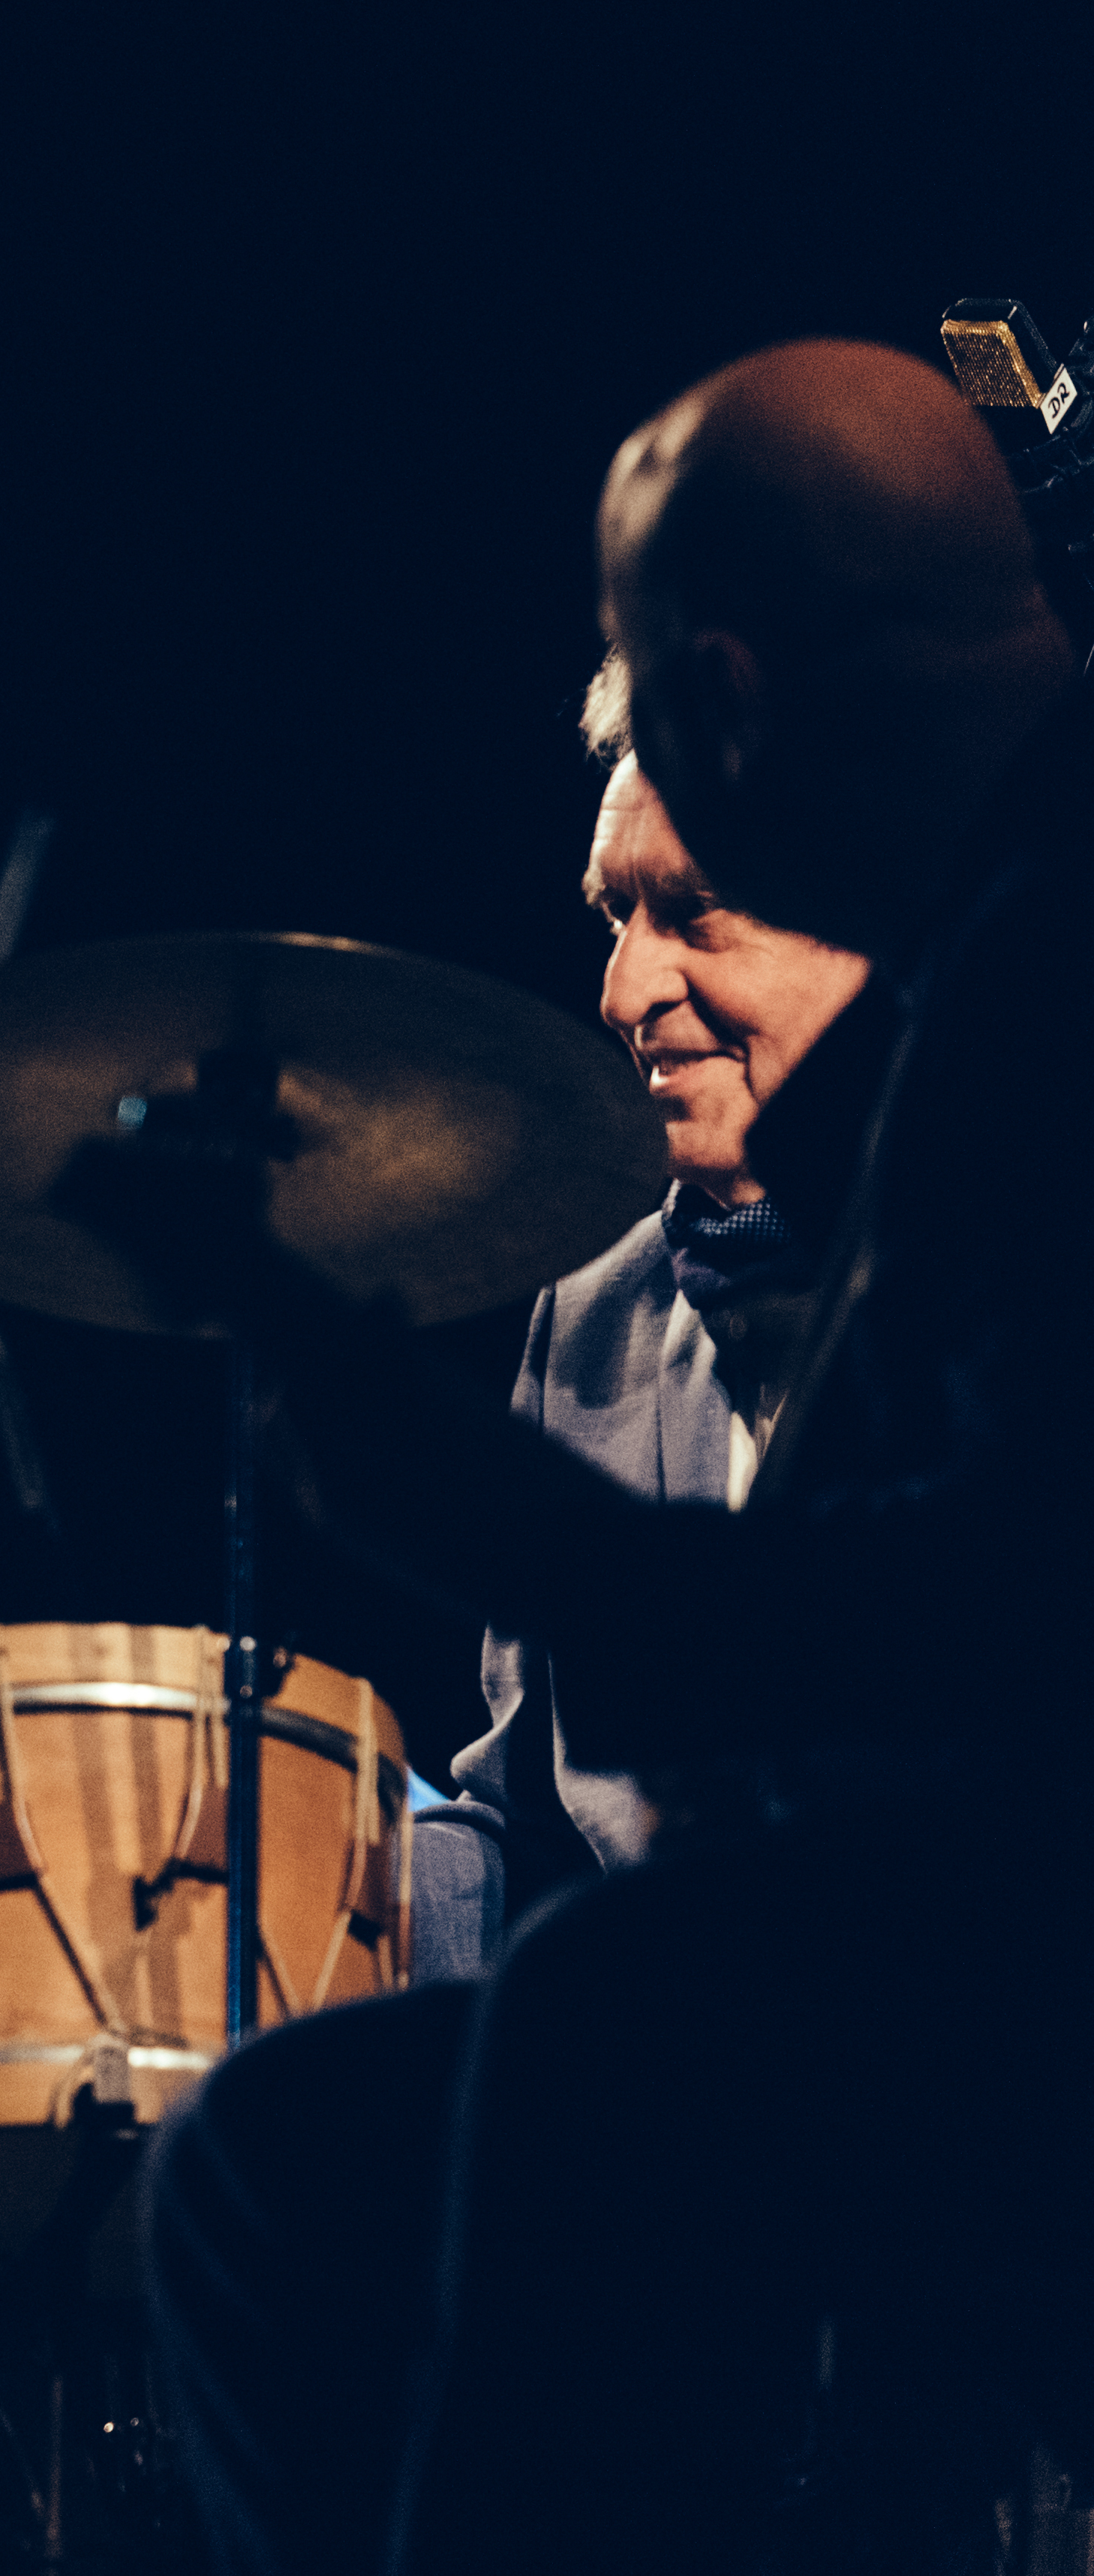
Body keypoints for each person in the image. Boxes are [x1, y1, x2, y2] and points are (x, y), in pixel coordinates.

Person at [116, 341, 1092, 2576]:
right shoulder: (970, 993)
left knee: (623, 2037)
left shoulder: (1042, 989)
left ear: (728, 697)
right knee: (294, 2152)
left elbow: (925, 1648)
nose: (636, 970)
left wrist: (333, 1374)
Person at [405, 651, 872, 1975]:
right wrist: (301, 1838)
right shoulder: (600, 1306)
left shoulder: (1015, 1288)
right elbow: (520, 1830)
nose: (622, 993)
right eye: (616, 916)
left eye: (698, 910)